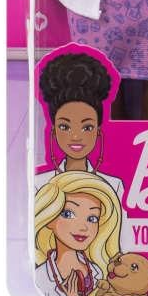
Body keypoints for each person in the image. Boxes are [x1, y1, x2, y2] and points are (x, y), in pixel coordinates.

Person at [33, 49, 125, 200]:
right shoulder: (40, 185)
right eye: (65, 127)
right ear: (54, 130)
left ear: (98, 130)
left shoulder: (114, 186)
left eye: (87, 127)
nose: (76, 136)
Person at [33, 172, 122, 296]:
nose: (83, 227)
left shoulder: (99, 272)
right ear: (50, 218)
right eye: (68, 214)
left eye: (92, 218)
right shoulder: (40, 278)